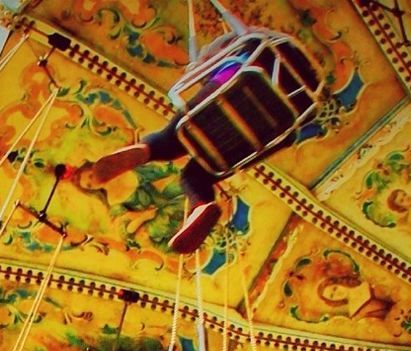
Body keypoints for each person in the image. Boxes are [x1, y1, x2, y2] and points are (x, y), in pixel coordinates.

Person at [79, 35, 287, 254]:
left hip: (238, 102)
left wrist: (211, 61)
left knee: (178, 145)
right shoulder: (268, 55)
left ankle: (151, 154)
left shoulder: (244, 54)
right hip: (275, 118)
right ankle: (195, 199)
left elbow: (242, 43)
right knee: (189, 163)